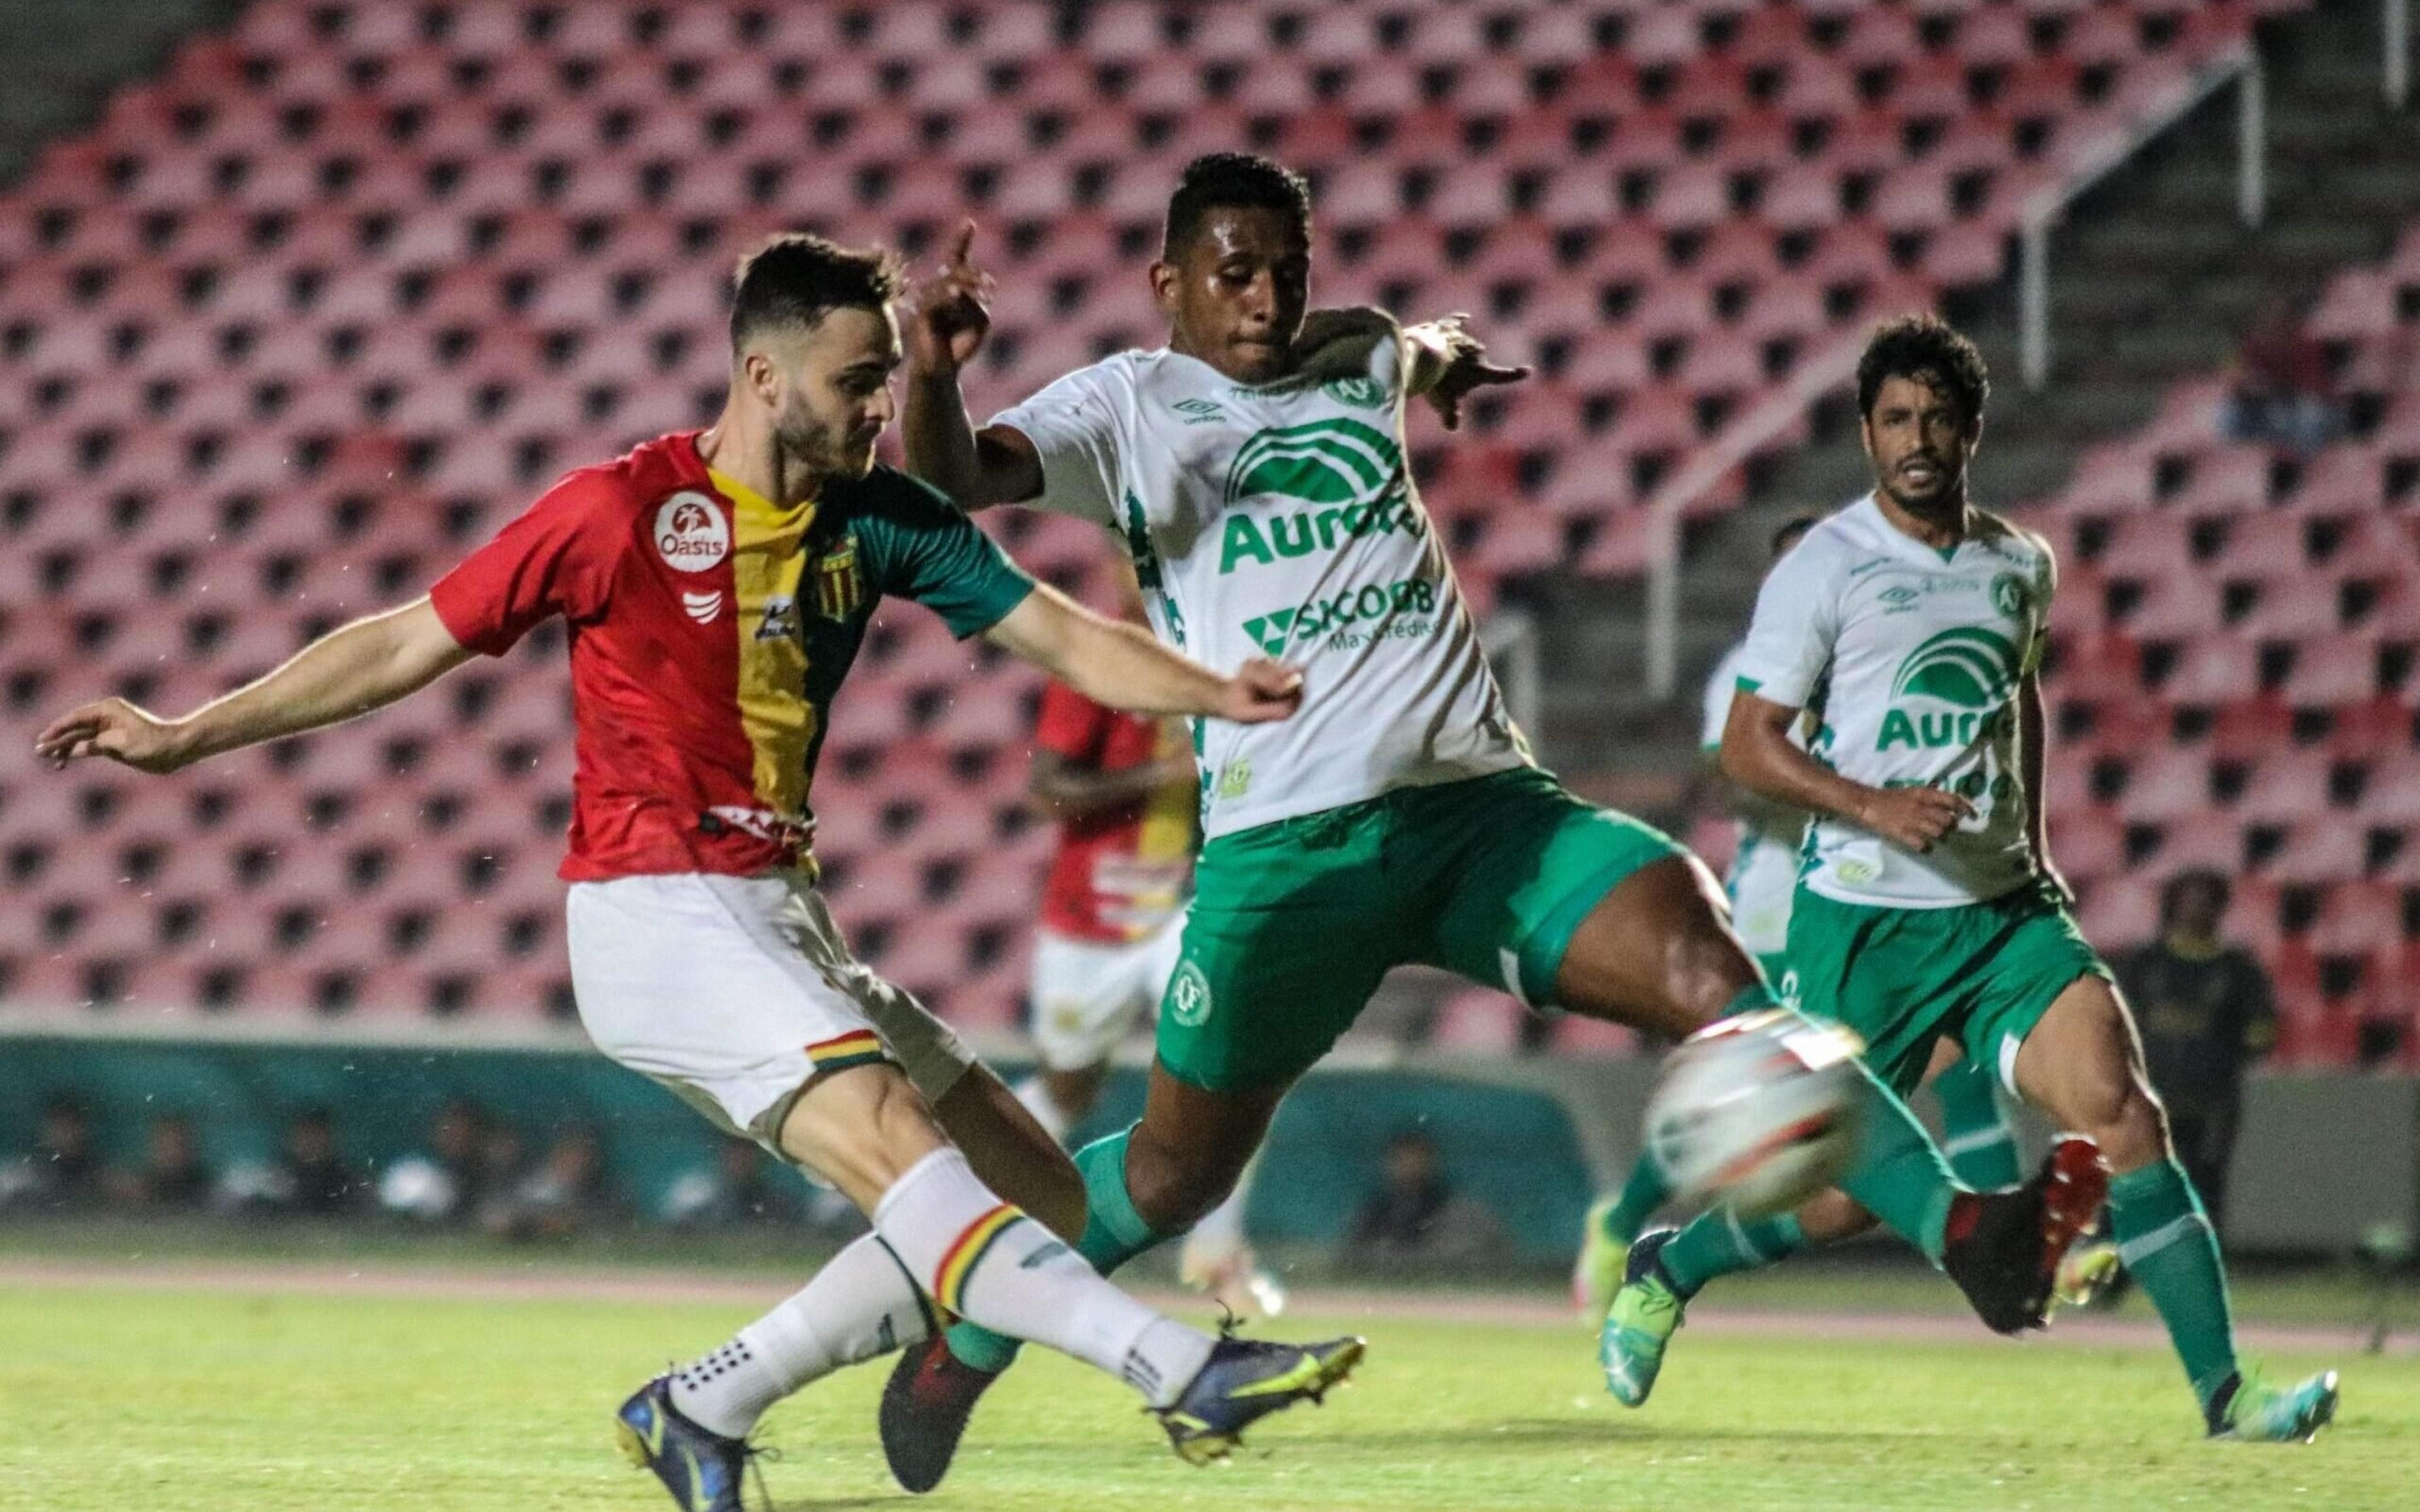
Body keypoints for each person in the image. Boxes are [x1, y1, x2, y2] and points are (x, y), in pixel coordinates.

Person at [35, 229, 1365, 1508]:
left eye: (887, 382)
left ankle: (708, 1404)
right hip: (655, 912)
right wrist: (185, 732)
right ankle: (1180, 1367)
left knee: (1044, 1192)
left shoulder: (880, 517)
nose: (876, 411)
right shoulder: (620, 512)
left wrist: (1213, 690)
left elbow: (1065, 640)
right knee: (900, 1152)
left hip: (783, 916)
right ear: (762, 377)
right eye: (857, 383)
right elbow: (401, 643)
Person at [890, 151, 2106, 1490]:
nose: (1266, 299)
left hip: (1483, 813)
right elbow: (960, 473)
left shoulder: (1349, 351)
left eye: (1287, 270)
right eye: (1234, 273)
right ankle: (970, 1329)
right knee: (1173, 1178)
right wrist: (935, 375)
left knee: (1713, 966)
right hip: (1288, 858)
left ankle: (1971, 1237)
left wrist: (1441, 356)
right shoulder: (1122, 407)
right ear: (1168, 281)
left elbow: (1399, 346)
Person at [1599, 314, 2337, 1443]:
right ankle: (1669, 1267)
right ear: (1865, 433)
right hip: (1863, 922)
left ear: (1972, 431)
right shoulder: (1826, 568)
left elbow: (2019, 700)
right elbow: (1749, 745)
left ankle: (2227, 1400)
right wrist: (1870, 805)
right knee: (1835, 1199)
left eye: (1939, 417)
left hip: (2001, 919)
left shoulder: (2017, 564)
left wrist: (2032, 846)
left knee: (2127, 1117)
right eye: (1896, 418)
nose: (1918, 437)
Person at [1573, 514, 2029, 1322]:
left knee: (1954, 1072)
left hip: (1878, 903)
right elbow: (1734, 783)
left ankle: (2008, 1238)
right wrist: (1856, 806)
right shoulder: (1751, 675)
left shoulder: (1881, 662)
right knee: (1763, 1095)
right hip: (1781, 916)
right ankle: (1624, 1226)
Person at [1020, 564, 1277, 1316]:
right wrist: (1162, 773)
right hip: (1094, 913)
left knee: (1239, 1058)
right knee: (1069, 1088)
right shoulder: (1099, 659)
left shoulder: (1226, 651)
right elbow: (1047, 789)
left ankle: (1218, 1254)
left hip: (1187, 902)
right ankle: (952, 1209)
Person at [2114, 869, 2277, 1236]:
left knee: (2205, 1185)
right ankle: (2119, 1267)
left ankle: (2203, 1267)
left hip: (2212, 1100)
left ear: (2220, 907)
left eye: (2205, 899)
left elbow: (2261, 1033)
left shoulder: (2239, 970)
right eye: (2189, 898)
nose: (2196, 908)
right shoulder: (2144, 963)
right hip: (2149, 1095)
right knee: (2134, 1183)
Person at [1343, 1130, 1506, 1267]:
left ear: (1433, 1163)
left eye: (1417, 1159)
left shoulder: (1468, 1218)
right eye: (1402, 1160)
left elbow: (1504, 1267)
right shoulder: (1369, 1219)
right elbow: (1345, 1264)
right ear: (1387, 1165)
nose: (1411, 1167)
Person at [2220, 298, 2339, 454]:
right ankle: (2239, 464)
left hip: (2304, 405)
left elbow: (2312, 390)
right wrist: (2249, 387)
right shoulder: (2253, 343)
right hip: (2267, 404)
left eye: (2279, 321)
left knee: (2309, 414)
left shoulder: (2307, 345)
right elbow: (2241, 379)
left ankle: (2304, 467)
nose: (2272, 327)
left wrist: (2276, 390)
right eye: (2268, 322)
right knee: (2228, 414)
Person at [0, 1094, 105, 1212]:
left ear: (81, 1131)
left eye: (69, 1126)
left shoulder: (97, 1172)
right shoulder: (24, 1174)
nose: (64, 1134)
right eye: (58, 1127)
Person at [111, 1113, 211, 1211]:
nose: (171, 1153)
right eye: (165, 1147)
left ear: (189, 1148)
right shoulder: (143, 1189)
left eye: (176, 1145)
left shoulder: (207, 1190)